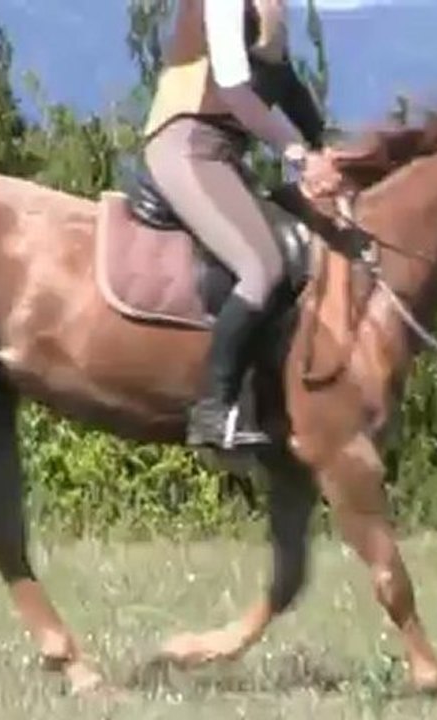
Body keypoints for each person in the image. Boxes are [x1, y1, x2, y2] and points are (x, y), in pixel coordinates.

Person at [142, 0, 342, 449]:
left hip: (224, 154)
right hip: (188, 144)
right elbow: (232, 87)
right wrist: (295, 151)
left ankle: (269, 397)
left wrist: (324, 144)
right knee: (261, 266)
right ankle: (212, 410)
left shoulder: (271, 6)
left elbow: (285, 83)